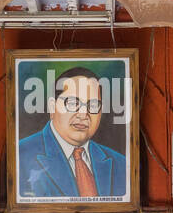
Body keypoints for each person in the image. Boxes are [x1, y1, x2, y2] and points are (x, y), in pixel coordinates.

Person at [18, 67, 127, 198]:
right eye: (72, 103)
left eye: (92, 105)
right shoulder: (20, 156)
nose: (83, 114)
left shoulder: (120, 164)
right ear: (52, 107)